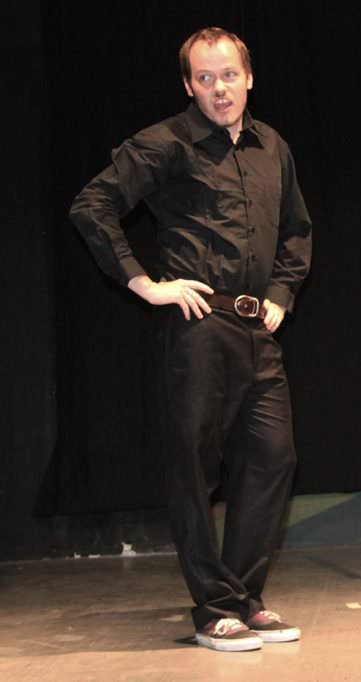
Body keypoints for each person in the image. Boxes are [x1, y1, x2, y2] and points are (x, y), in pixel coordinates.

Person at [69, 27, 312, 652]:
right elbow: (92, 205)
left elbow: (296, 229)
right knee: (193, 468)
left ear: (248, 77)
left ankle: (245, 597)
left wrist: (282, 293)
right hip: (199, 329)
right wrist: (144, 284)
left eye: (228, 75)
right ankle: (214, 609)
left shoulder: (272, 146)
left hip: (258, 329)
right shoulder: (166, 143)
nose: (218, 88)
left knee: (273, 458)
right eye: (205, 78)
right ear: (188, 85)